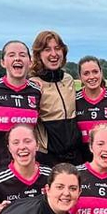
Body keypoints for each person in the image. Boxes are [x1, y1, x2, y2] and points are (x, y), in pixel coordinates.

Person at [0, 40, 40, 176]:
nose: (17, 58)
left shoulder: (36, 91)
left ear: (30, 62)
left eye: (22, 55)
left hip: (25, 166)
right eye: (11, 55)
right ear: (3, 62)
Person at [31, 30, 80, 165]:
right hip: (48, 156)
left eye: (57, 48)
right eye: (47, 49)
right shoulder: (32, 83)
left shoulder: (68, 79)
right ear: (38, 54)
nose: (53, 54)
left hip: (74, 154)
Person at [74, 56, 107, 157]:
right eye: (86, 73)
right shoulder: (74, 100)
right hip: (81, 161)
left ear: (101, 73)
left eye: (95, 72)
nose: (91, 77)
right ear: (80, 77)